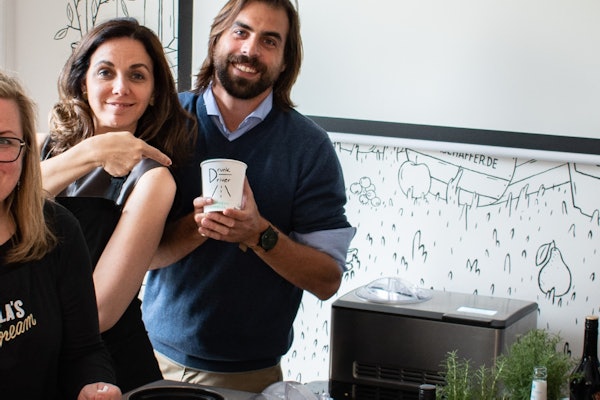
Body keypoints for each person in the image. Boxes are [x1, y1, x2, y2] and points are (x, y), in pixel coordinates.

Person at [142, 0, 355, 393]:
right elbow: (134, 253)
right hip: (146, 358)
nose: (250, 49)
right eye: (240, 32)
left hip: (249, 378)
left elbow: (327, 279)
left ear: (286, 61)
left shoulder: (309, 148)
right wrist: (199, 226)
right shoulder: (163, 123)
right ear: (217, 39)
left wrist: (259, 234)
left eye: (269, 41)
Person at [39, 18, 196, 393]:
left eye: (137, 76)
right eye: (105, 72)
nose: (121, 87)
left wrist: (19, 323)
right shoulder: (40, 147)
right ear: (83, 82)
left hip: (107, 371)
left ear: (154, 93)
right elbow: (8, 204)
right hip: (34, 358)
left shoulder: (153, 180)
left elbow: (99, 312)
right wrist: (94, 151)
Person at [0, 70, 121, 399]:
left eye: (4, 141)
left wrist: (95, 385)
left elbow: (84, 350)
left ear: (26, 152)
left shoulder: (58, 228)